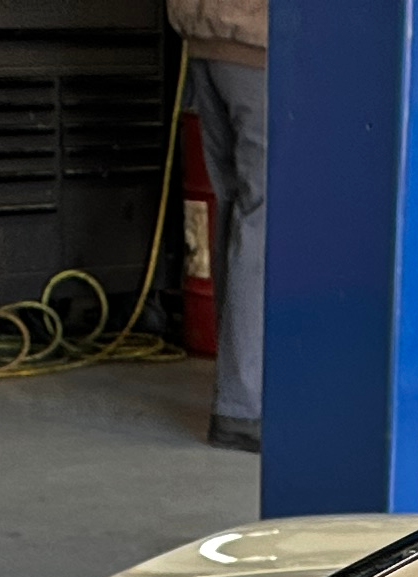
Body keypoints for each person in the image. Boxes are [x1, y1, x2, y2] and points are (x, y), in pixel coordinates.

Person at [173, 0, 263, 452]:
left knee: (238, 214)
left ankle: (238, 397)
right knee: (265, 217)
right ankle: (247, 406)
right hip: (261, 41)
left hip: (207, 42)